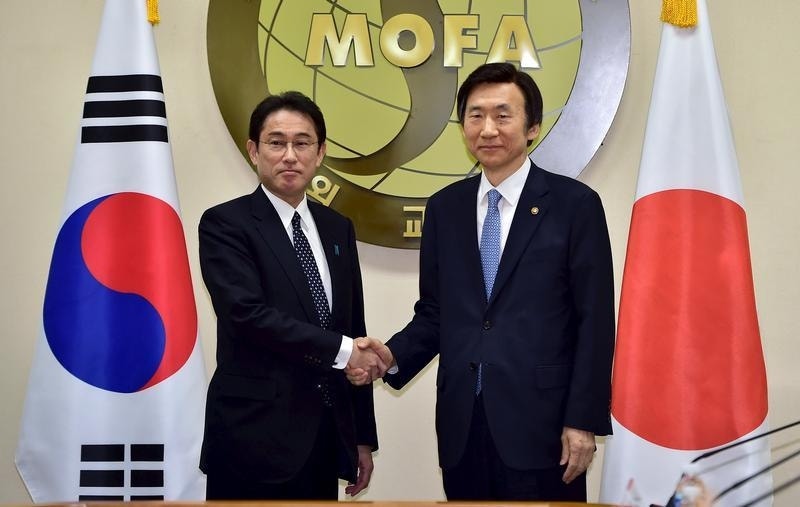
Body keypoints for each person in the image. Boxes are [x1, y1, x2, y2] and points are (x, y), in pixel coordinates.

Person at [348, 62, 615, 501]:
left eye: (502, 115)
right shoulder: (444, 208)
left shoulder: (574, 205)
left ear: (532, 127)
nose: (487, 129)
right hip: (463, 426)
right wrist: (391, 355)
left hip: (545, 427)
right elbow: (436, 313)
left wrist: (582, 420)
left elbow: (595, 322)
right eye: (475, 115)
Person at [198, 91, 387, 500]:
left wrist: (360, 437)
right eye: (276, 142)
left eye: (302, 143)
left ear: (320, 153)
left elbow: (353, 328)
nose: (289, 156)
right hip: (251, 439)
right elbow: (246, 315)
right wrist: (345, 351)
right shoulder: (225, 224)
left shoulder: (337, 227)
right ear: (254, 151)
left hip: (323, 437)